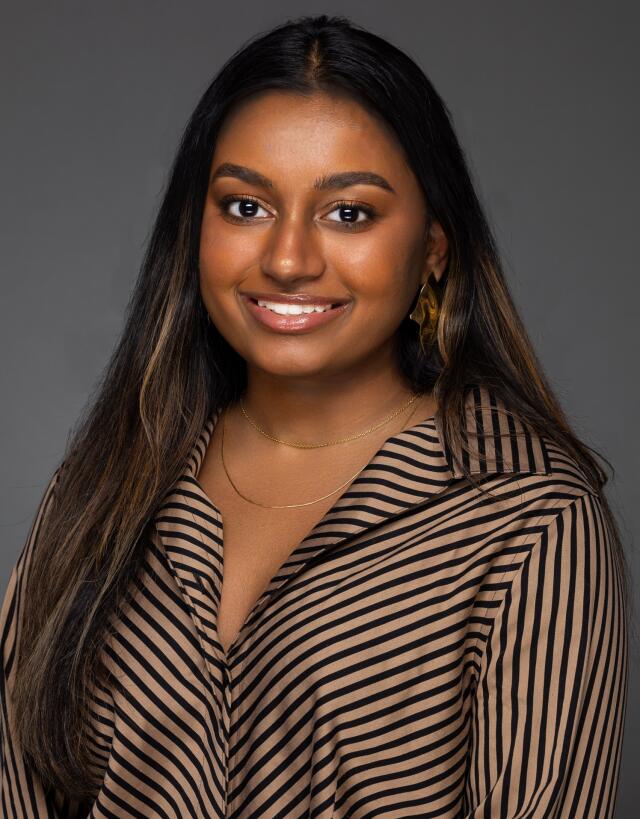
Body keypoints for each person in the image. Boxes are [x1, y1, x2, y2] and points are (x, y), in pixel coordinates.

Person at [0, 13, 630, 819]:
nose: (289, 258)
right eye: (246, 207)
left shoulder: (526, 518)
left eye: (349, 214)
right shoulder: (108, 480)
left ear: (433, 247)